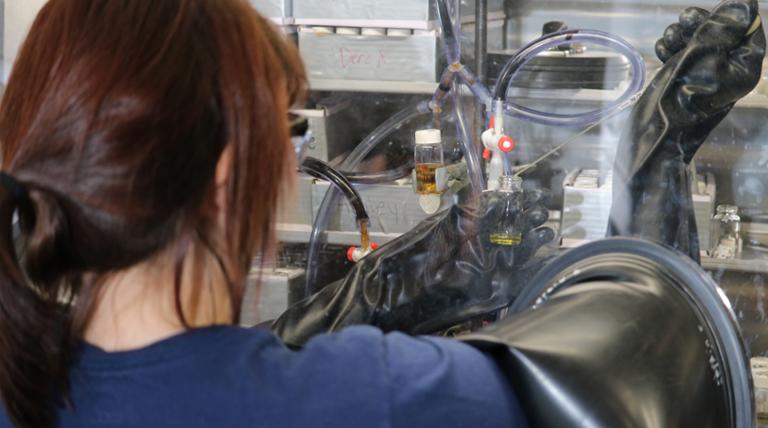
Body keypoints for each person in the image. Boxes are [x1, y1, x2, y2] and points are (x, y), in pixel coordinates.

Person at [0, 1, 527, 427]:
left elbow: (191, 371)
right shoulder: (385, 396)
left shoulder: (19, 388)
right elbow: (554, 382)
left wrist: (390, 283)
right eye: (291, 138)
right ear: (226, 179)